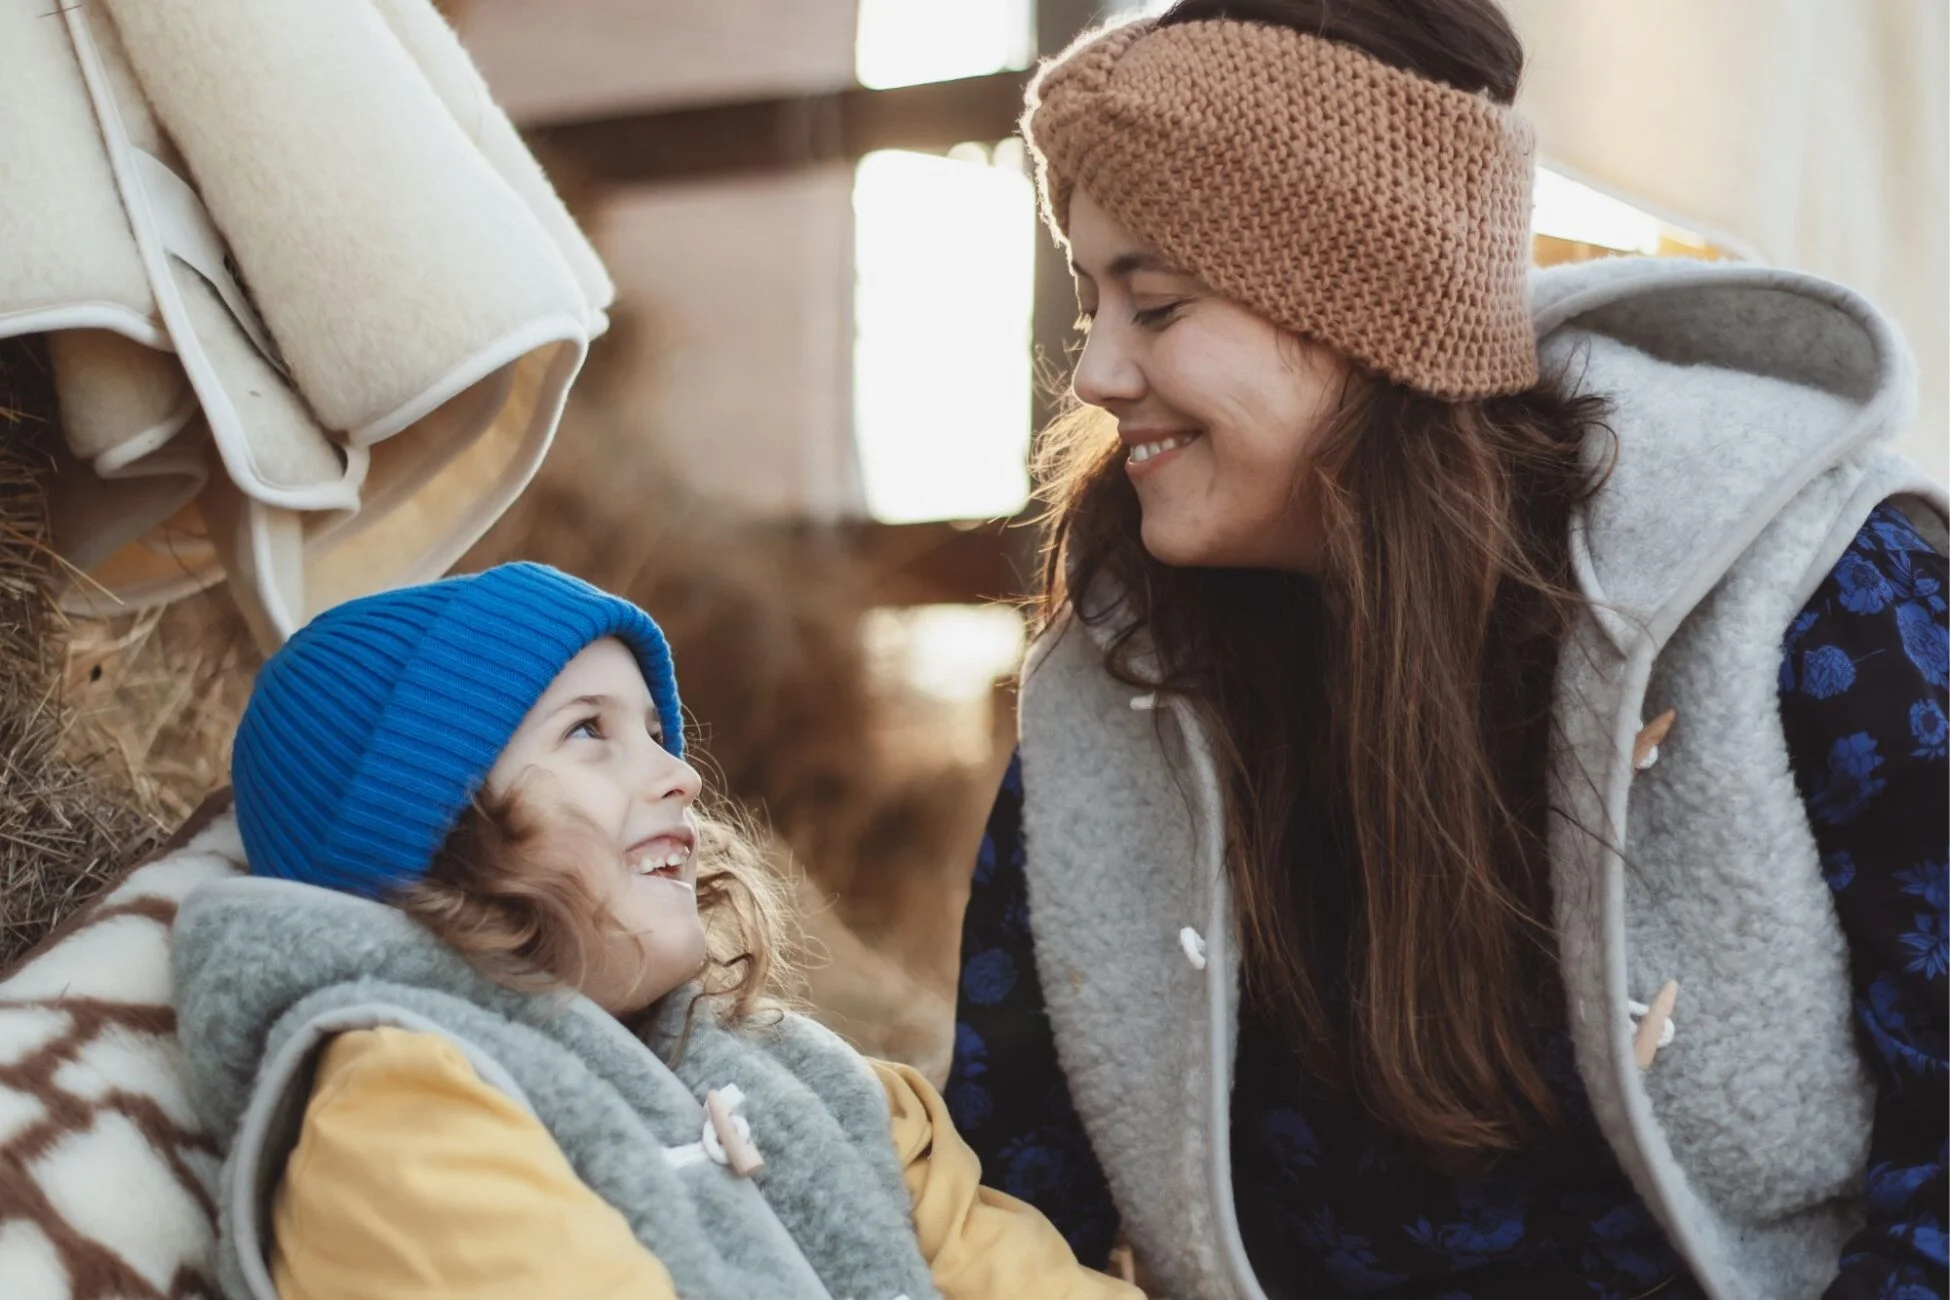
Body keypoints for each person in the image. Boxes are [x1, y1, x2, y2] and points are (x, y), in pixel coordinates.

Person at [944, 2, 1949, 1298]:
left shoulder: (1810, 594)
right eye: (1091, 304)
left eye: (1157, 304)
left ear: (1372, 311)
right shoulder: (1125, 691)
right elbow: (1006, 1183)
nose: (1093, 374)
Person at [171, 562, 1139, 1300]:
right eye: (588, 730)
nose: (683, 776)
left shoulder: (796, 1079)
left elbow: (1010, 1269)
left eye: (655, 732)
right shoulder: (401, 1114)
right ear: (429, 827)